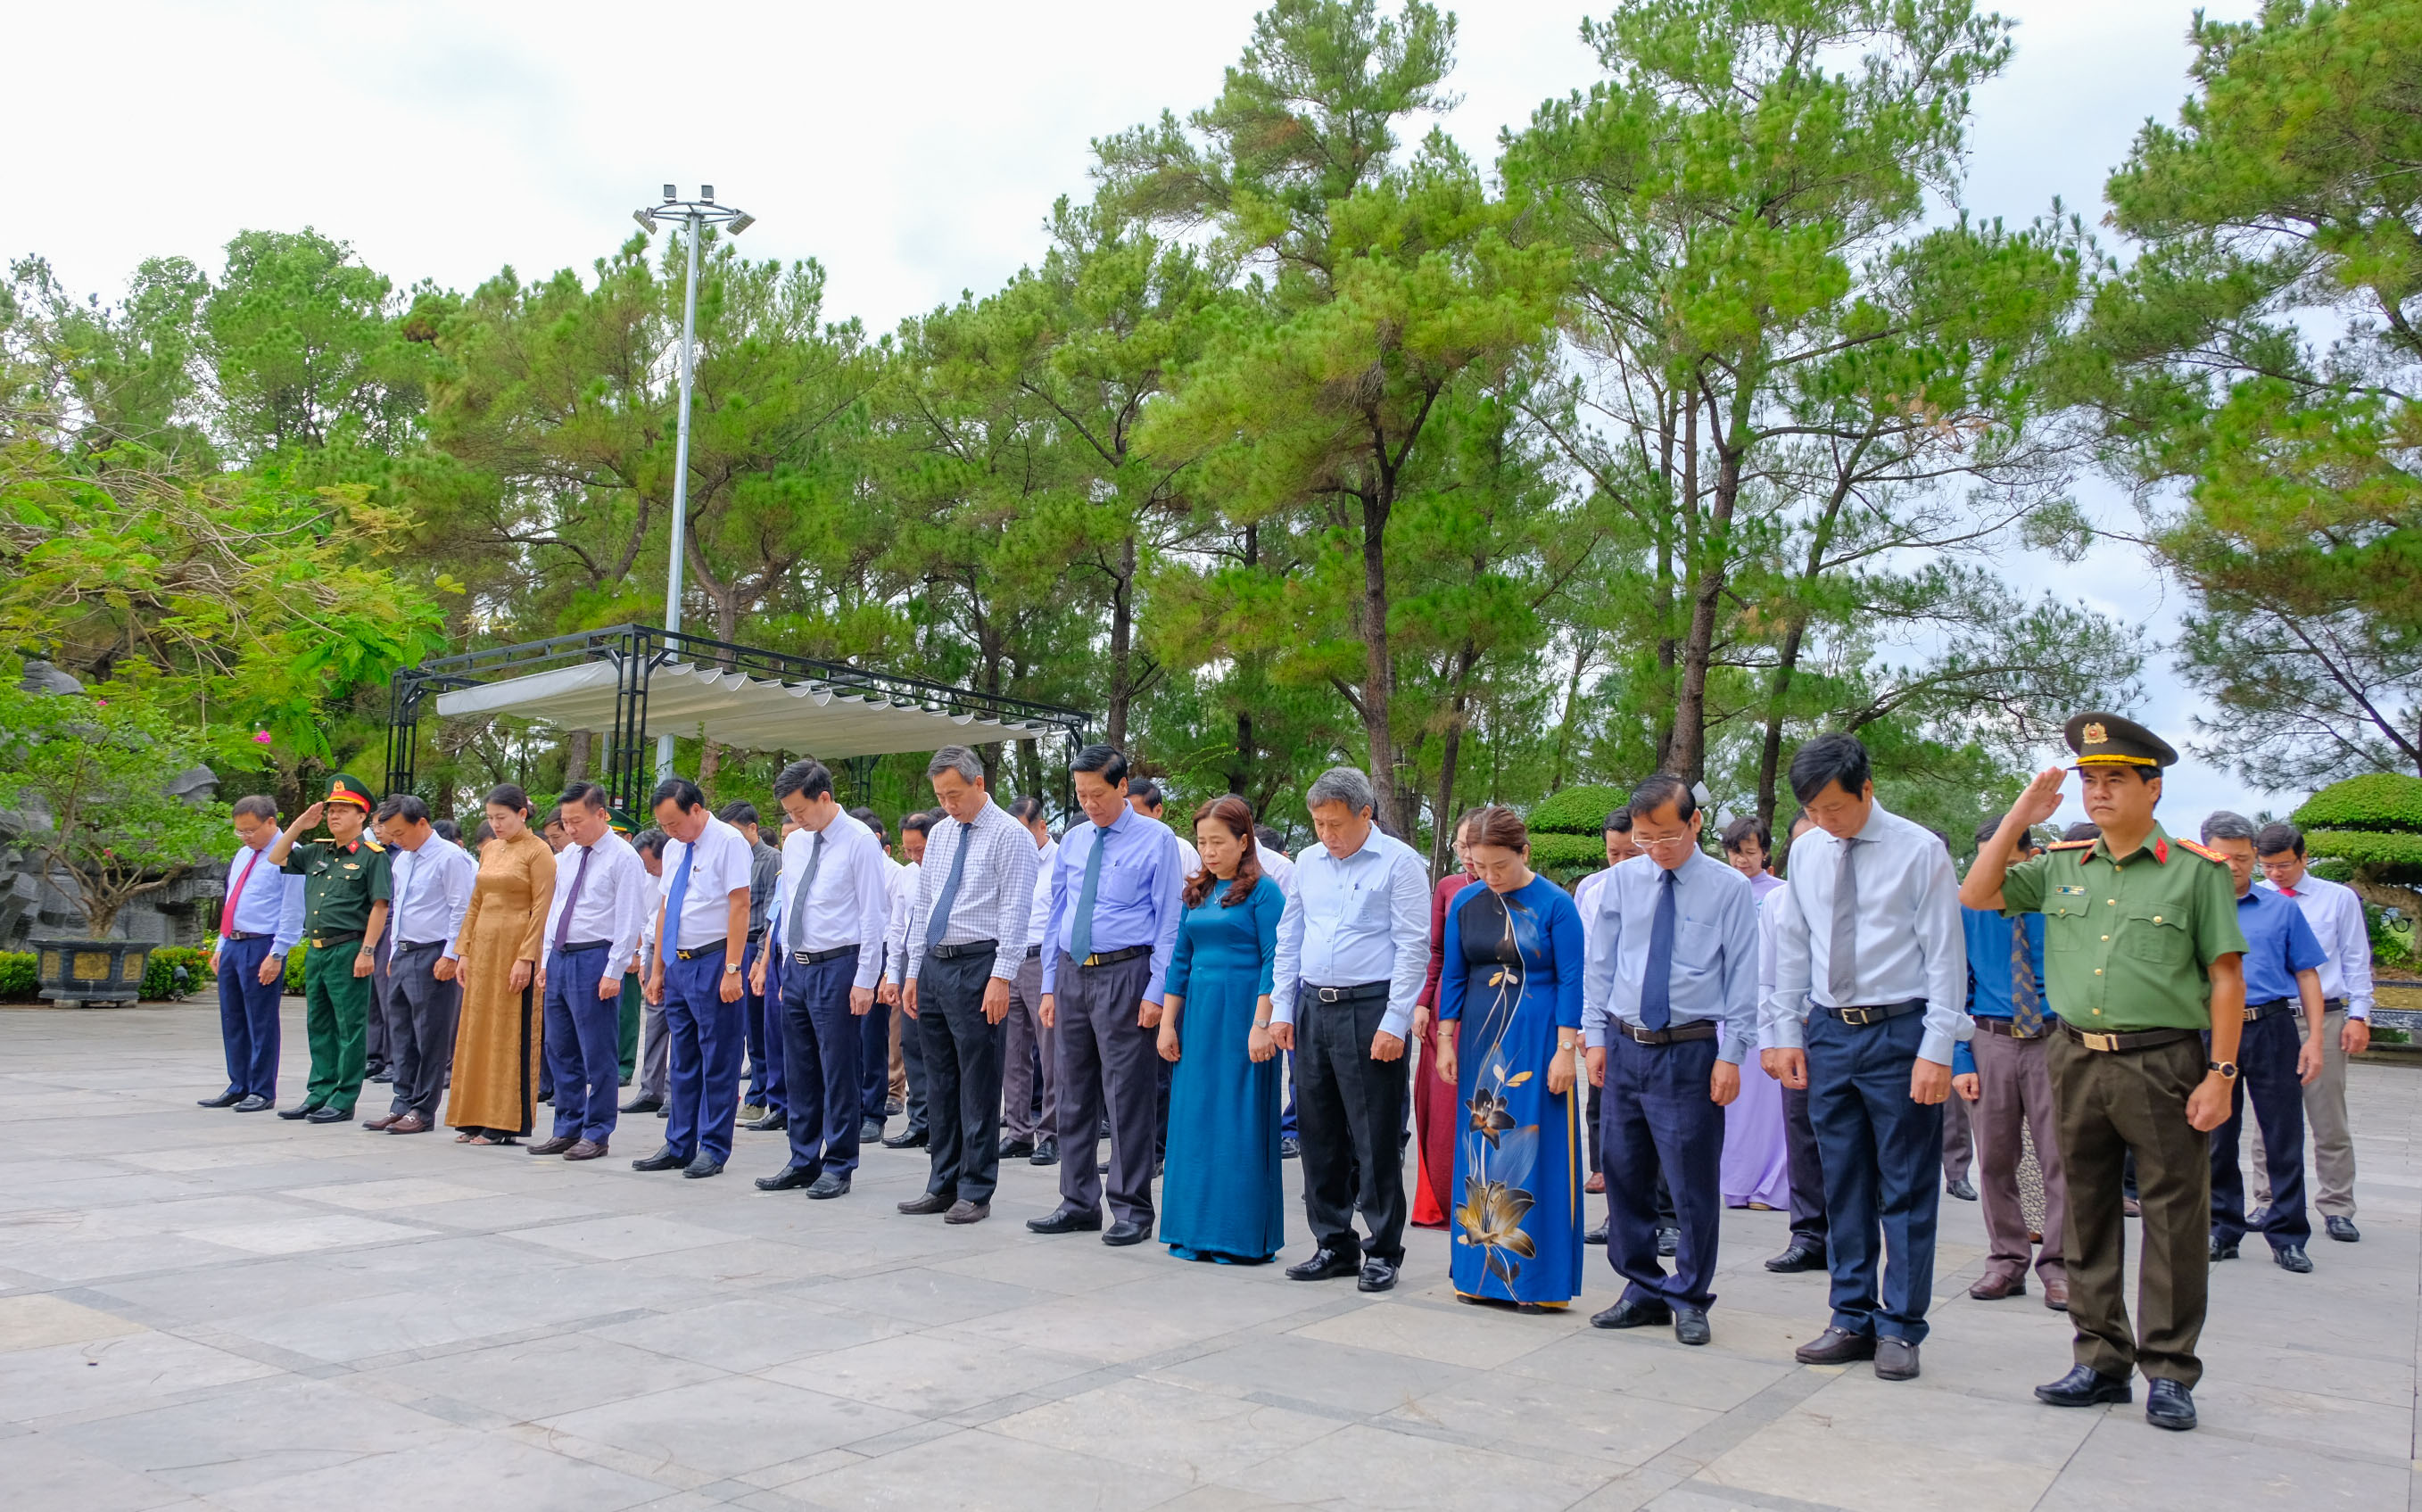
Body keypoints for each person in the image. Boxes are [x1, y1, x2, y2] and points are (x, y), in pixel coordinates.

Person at [1963, 711, 2246, 1434]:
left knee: (2172, 1218)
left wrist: (2220, 1071)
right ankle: (2099, 1358)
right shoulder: (2059, 864)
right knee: (2083, 1210)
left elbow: (2223, 976)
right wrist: (2022, 815)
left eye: (2114, 779)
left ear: (2152, 788)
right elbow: (1977, 892)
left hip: (2163, 1059)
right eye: (2089, 780)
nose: (2097, 792)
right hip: (2073, 1054)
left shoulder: (2193, 871)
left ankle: (2170, 1370)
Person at [1763, 733, 1966, 1383]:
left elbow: (1943, 956)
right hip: (1827, 1030)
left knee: (1904, 1182)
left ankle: (1900, 1325)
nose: (1825, 821)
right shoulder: (1806, 851)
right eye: (1812, 810)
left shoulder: (1918, 851)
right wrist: (1785, 1032)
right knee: (1841, 1176)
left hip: (1898, 1031)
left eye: (1835, 807)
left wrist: (1938, 1047)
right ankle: (1849, 1314)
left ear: (1866, 789)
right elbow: (1793, 942)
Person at [1582, 781, 1757, 1338]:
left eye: (1668, 836)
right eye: (1643, 838)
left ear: (1696, 823)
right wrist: (1592, 1038)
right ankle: (1641, 1287)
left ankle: (1689, 1295)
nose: (1655, 848)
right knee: (1624, 1173)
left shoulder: (1728, 890)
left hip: (1690, 1049)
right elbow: (1600, 967)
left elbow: (1744, 978)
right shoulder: (1620, 883)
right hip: (1624, 1043)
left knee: (1691, 1182)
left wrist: (1732, 1054)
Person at [1269, 766, 1429, 1293]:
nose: (1327, 835)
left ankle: (1383, 1248)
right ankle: (1332, 1241)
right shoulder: (1310, 864)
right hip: (1314, 1005)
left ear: (1367, 814)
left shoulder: (1400, 864)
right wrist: (1282, 1010)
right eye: (1317, 824)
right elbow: (1289, 936)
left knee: (1375, 1135)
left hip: (1371, 1009)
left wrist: (1395, 1021)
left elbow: (1412, 950)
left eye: (1336, 824)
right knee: (1318, 1132)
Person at [1434, 806, 1591, 1311]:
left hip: (1539, 1035)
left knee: (1537, 1148)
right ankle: (1479, 1274)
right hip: (1481, 1038)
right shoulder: (1465, 902)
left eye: (1499, 865)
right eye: (1479, 865)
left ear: (1524, 852)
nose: (1490, 876)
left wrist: (1567, 1052)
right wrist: (1444, 1038)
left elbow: (1571, 980)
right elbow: (1454, 975)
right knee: (1479, 1146)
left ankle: (1536, 1285)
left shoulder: (1556, 905)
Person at [1029, 745, 1186, 1244]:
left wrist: (1157, 991)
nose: (1090, 803)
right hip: (1074, 973)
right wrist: (1051, 985)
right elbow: (1058, 915)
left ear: (1123, 786)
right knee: (1071, 1091)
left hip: (1126, 973)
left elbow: (1169, 922)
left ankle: (1132, 1209)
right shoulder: (1074, 842)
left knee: (1127, 1095)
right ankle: (1077, 1201)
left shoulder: (1157, 840)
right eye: (1081, 795)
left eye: (1098, 793)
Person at [900, 748, 1040, 1225]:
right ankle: (942, 1182)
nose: (948, 803)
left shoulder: (1010, 837)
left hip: (981, 964)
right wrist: (914, 971)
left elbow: (1016, 912)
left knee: (977, 1082)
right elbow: (925, 904)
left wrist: (1002, 976)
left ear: (980, 784)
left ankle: (975, 1189)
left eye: (955, 794)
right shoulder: (939, 834)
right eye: (941, 795)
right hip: (937, 963)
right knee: (939, 1081)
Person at [1157, 795, 1289, 1262]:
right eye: (1202, 843)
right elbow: (1179, 959)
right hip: (1199, 1015)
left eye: (1218, 842)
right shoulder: (1197, 891)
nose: (1209, 851)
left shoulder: (1265, 892)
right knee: (1194, 1120)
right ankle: (1192, 1231)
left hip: (1244, 1014)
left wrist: (1262, 1025)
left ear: (1244, 840)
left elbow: (1278, 959)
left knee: (1239, 1120)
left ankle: (1238, 1237)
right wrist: (1167, 1023)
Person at [752, 760, 892, 1199]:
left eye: (799, 811)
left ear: (824, 798)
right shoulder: (795, 845)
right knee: (800, 1068)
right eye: (789, 813)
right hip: (797, 966)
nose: (794, 820)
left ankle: (839, 1163)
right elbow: (789, 903)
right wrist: (783, 965)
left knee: (838, 1068)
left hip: (840, 965)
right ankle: (802, 1158)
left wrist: (866, 979)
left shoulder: (859, 843)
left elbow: (874, 915)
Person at [2199, 811, 2326, 1272]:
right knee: (2216, 1134)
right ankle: (2221, 1228)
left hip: (2270, 1026)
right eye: (2221, 856)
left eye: (2241, 856)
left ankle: (2288, 1235)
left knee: (2282, 1135)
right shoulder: (2192, 909)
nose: (2232, 865)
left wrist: (2312, 1040)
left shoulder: (2281, 909)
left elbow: (2308, 974)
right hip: (2210, 1030)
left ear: (2254, 855)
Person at [1951, 814, 2066, 1308]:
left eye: (2007, 863)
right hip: (1990, 1038)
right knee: (1995, 1158)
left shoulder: (2059, 900)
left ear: (2032, 858)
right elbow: (1955, 984)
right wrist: (1960, 1058)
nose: (1996, 875)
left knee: (2060, 1159)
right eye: (1986, 862)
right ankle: (2006, 1261)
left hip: (2054, 1039)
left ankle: (2060, 1265)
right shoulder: (1968, 906)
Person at [2252, 821, 2372, 1243]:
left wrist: (2360, 1015)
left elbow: (2356, 958)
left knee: (2327, 1117)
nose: (2275, 874)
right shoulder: (2253, 898)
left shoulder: (2337, 899)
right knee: (2268, 1116)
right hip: (2268, 1017)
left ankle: (2337, 1205)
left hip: (2324, 1016)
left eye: (2284, 864)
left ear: (2304, 858)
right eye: (2266, 866)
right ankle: (2267, 1199)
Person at [634, 778, 754, 1178]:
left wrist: (733, 969)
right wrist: (658, 969)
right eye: (664, 825)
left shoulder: (728, 842)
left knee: (717, 1059)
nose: (670, 831)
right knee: (682, 1059)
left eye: (674, 823)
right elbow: (668, 907)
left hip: (714, 960)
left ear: (696, 809)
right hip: (679, 964)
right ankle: (678, 1142)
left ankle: (714, 1147)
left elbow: (740, 906)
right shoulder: (673, 849)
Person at [266, 775, 393, 1125]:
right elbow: (276, 857)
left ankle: (343, 1097)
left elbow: (379, 907)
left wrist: (367, 951)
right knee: (318, 1024)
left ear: (361, 816)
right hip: (317, 950)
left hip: (348, 947)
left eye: (343, 810)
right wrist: (299, 825)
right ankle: (318, 1092)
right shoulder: (317, 851)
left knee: (349, 1027)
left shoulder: (372, 857)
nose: (334, 816)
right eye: (331, 810)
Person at [531, 782, 648, 1161]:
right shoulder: (566, 858)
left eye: (576, 821)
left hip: (596, 958)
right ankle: (566, 1126)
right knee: (560, 1048)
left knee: (597, 1050)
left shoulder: (622, 857)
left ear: (601, 814)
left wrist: (614, 970)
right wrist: (546, 960)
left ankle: (597, 1131)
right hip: (563, 958)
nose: (570, 829)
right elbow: (554, 913)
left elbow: (630, 918)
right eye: (565, 822)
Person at [442, 784, 556, 1146]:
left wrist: (527, 956)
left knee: (509, 1032)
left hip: (515, 945)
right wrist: (465, 951)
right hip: (484, 946)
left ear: (523, 814)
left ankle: (503, 1120)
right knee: (476, 1028)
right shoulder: (490, 849)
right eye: (491, 819)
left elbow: (543, 908)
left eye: (502, 818)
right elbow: (475, 902)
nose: (496, 825)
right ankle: (471, 1114)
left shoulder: (539, 853)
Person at [367, 795, 473, 1136]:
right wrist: (395, 950)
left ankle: (423, 1109)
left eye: (401, 832)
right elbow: (399, 907)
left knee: (429, 1034)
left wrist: (451, 955)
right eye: (391, 834)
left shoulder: (450, 858)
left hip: (433, 953)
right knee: (400, 1031)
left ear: (422, 823)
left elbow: (462, 909)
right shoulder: (402, 860)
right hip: (403, 952)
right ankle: (401, 1102)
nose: (397, 840)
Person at [202, 795, 303, 1113]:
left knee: (260, 1020)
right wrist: (221, 944)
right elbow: (233, 899)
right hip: (233, 942)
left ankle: (261, 1089)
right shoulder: (243, 854)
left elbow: (292, 908)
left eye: (251, 830)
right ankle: (238, 1084)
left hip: (263, 944)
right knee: (232, 1018)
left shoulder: (290, 855)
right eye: (240, 831)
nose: (246, 837)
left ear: (271, 822)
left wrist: (278, 953)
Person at [1762, 812, 1829, 1273]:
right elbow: (1768, 976)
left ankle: (1853, 1230)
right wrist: (1773, 1038)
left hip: (1848, 1027)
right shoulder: (1777, 903)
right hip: (1797, 1030)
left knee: (1852, 1137)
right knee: (1800, 1132)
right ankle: (1808, 1233)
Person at [1575, 808, 1647, 1234]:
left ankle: (1667, 1216)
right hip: (1610, 1022)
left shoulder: (1665, 885)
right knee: (1611, 1117)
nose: (1620, 862)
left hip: (1659, 1025)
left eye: (1629, 852)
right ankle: (1617, 1215)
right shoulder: (1593, 890)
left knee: (1658, 1127)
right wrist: (1586, 1025)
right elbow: (1586, 961)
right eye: (1612, 853)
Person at [1717, 815, 1790, 1212]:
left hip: (1766, 1009)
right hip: (1724, 1009)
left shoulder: (1781, 894)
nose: (1742, 860)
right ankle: (1734, 1182)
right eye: (1736, 852)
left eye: (1750, 852)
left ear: (1765, 853)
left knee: (1770, 1107)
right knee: (1733, 1103)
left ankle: (1772, 1184)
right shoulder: (1718, 890)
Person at [1412, 814, 1478, 1230]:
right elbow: (1435, 952)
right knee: (1442, 1103)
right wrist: (1422, 1002)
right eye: (1461, 846)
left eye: (1475, 844)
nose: (1468, 855)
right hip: (1444, 1006)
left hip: (1493, 1002)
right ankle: (1442, 1197)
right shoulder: (1448, 887)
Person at [1002, 795, 1061, 1166]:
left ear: (1042, 826)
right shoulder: (1010, 860)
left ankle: (1052, 1134)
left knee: (1052, 1054)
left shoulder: (1062, 861)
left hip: (1044, 961)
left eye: (1025, 832)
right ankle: (1018, 1131)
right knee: (1012, 1052)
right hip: (1009, 961)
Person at [722, 801, 788, 1131]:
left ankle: (762, 1097)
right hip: (732, 948)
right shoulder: (728, 857)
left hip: (755, 949)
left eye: (736, 831)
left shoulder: (771, 860)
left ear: (752, 828)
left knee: (762, 1030)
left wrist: (760, 958)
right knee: (744, 1029)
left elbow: (770, 917)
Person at [880, 811, 934, 1149]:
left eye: (920, 849)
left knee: (941, 1051)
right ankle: (920, 1121)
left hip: (944, 962)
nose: (915, 857)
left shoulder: (948, 871)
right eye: (909, 850)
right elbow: (898, 927)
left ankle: (943, 1125)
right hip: (912, 964)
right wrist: (893, 974)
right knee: (911, 1045)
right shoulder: (908, 876)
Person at [847, 806, 900, 1145]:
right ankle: (848, 1109)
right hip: (845, 956)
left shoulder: (893, 874)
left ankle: (873, 1111)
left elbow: (895, 926)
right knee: (845, 1042)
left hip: (878, 956)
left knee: (872, 1040)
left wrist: (887, 972)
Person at [621, 830, 671, 1117]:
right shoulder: (645, 878)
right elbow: (642, 919)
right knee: (655, 1024)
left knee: (680, 1024)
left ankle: (674, 1091)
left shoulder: (676, 875)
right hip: (652, 951)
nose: (650, 871)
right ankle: (650, 1089)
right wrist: (642, 959)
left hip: (677, 952)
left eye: (652, 865)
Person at [607, 807, 646, 1086]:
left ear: (628, 837)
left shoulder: (636, 863)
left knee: (627, 1010)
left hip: (631, 945)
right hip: (602, 944)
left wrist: (635, 950)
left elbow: (642, 914)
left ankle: (623, 1064)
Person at [1128, 778, 1200, 877]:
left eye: (1138, 817)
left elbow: (1195, 889)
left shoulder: (1183, 851)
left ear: (1158, 811)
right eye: (1125, 816)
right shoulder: (1112, 847)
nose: (1130, 823)